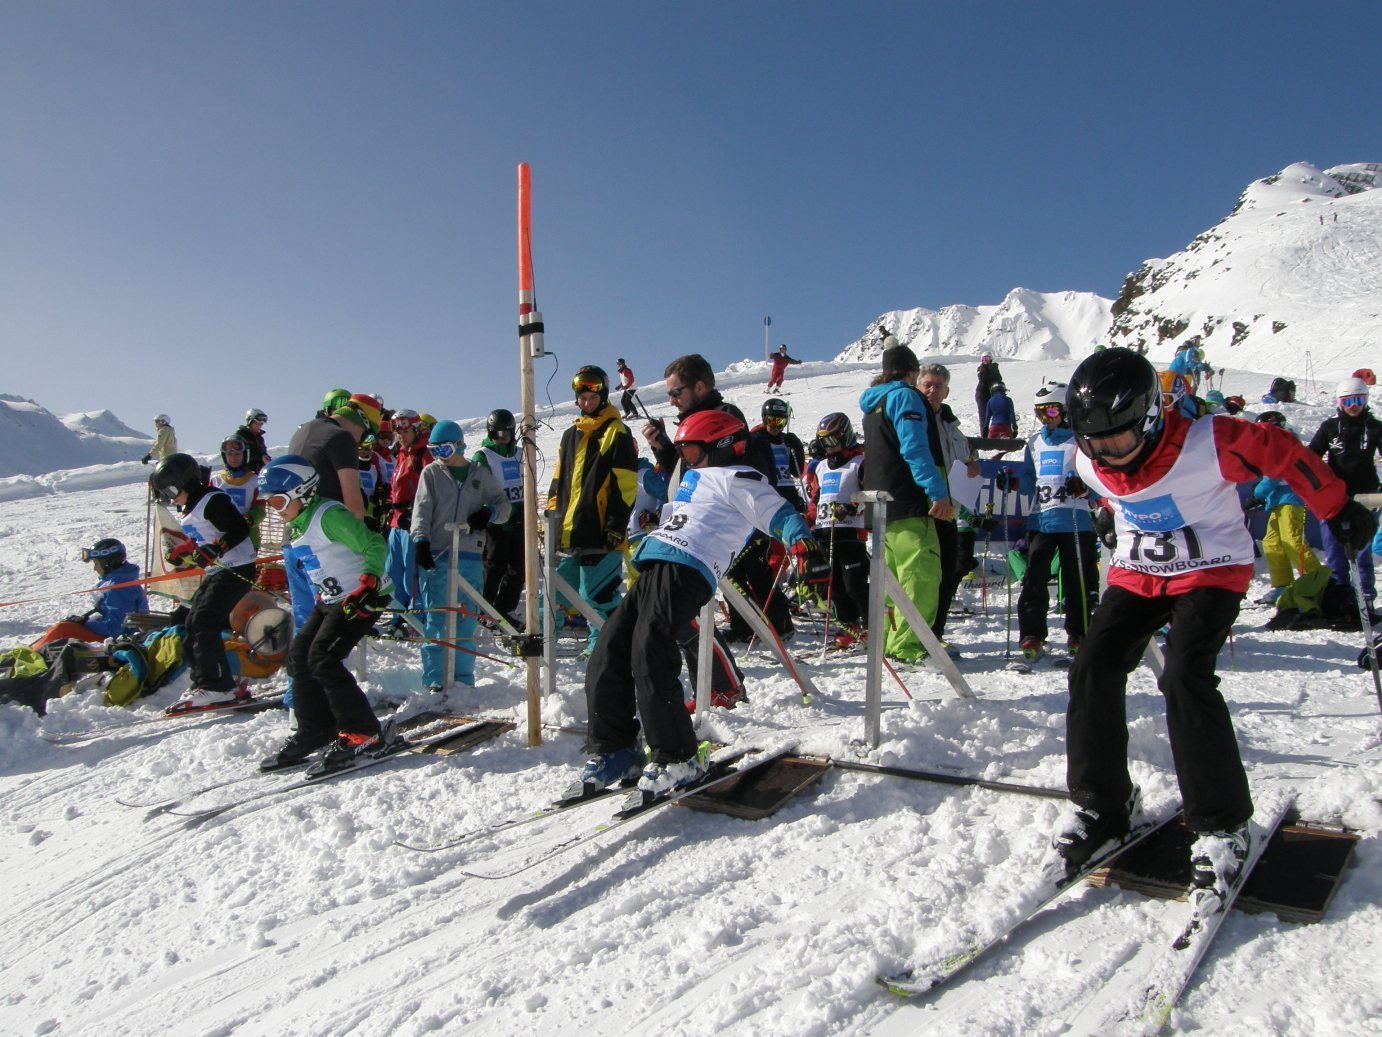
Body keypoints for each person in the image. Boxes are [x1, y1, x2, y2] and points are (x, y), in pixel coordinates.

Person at [1053, 348, 1371, 902]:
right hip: (1139, 573)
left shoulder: (1211, 442)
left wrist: (1336, 506)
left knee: (1184, 673)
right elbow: (1113, 489)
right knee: (1092, 665)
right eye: (1095, 444)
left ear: (1150, 419)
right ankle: (1103, 805)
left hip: (1211, 570)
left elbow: (1283, 453)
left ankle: (1223, 823)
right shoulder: (1088, 458)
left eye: (1118, 442)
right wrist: (1108, 515)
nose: (1107, 455)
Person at [577, 410, 819, 797]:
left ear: (723, 446)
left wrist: (800, 540)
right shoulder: (694, 477)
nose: (686, 459)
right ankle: (616, 747)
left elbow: (777, 511)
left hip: (689, 568)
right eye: (683, 453)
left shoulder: (739, 477)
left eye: (692, 452)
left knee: (649, 651)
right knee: (609, 650)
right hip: (654, 563)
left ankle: (678, 757)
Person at [257, 456, 397, 772]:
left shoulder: (328, 516)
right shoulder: (298, 522)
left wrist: (370, 579)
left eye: (279, 501)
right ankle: (316, 729)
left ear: (303, 492)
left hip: (363, 596)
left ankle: (363, 731)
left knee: (323, 658)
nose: (275, 510)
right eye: (270, 503)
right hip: (333, 600)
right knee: (299, 656)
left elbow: (374, 544)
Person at [859, 342, 953, 663]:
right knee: (920, 575)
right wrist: (937, 491)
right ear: (912, 372)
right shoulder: (906, 397)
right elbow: (914, 448)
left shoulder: (874, 404)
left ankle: (889, 642)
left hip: (880, 505)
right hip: (908, 501)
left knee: (892, 581)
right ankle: (909, 647)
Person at [150, 452, 257, 710]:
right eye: (165, 494)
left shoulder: (212, 500)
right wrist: (185, 550)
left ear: (186, 482)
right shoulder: (193, 506)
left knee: (203, 621)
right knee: (190, 621)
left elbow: (239, 529)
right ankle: (209, 682)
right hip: (218, 572)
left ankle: (216, 687)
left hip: (236, 569)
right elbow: (204, 536)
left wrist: (217, 548)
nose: (171, 498)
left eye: (171, 490)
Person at [1001, 384, 1099, 662]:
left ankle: (1078, 631)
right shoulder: (1034, 443)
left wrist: (1085, 489)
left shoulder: (1081, 442)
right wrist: (1013, 482)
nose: (1045, 418)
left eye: (1051, 411)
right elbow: (1029, 482)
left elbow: (1099, 482)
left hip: (1075, 521)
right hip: (1042, 520)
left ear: (1066, 411)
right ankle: (1032, 633)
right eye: (1039, 412)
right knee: (1034, 578)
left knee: (1076, 580)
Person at [413, 421, 512, 689]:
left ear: (459, 445)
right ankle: (436, 680)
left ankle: (462, 681)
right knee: (438, 617)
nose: (440, 456)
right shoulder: (431, 473)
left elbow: (504, 506)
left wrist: (489, 513)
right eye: (434, 451)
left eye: (444, 450)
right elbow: (421, 510)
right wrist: (420, 540)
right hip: (438, 554)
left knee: (466, 619)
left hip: (469, 555)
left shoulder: (479, 473)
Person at [546, 366, 638, 655]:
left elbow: (626, 485)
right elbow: (558, 482)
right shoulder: (570, 435)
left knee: (597, 596)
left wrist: (616, 525)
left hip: (600, 532)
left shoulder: (616, 432)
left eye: (592, 397)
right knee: (555, 593)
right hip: (569, 531)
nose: (586, 402)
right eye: (582, 398)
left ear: (604, 396)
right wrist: (551, 519)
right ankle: (544, 644)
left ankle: (605, 651)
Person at [918, 364, 981, 645]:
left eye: (938, 386)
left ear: (947, 391)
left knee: (946, 571)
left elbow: (965, 460)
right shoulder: (912, 419)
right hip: (920, 508)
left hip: (949, 509)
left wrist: (972, 466)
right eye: (928, 385)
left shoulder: (952, 427)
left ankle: (935, 634)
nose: (932, 390)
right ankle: (915, 635)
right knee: (922, 574)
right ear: (918, 386)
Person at [1308, 377, 1382, 610]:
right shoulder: (1330, 428)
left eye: (1358, 400)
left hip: (1365, 496)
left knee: (1362, 550)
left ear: (1366, 400)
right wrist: (1315, 486)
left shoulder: (1375, 427)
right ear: (1339, 403)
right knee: (1334, 549)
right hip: (1334, 497)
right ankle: (1339, 594)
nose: (1354, 406)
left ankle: (1365, 596)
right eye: (1348, 401)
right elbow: (1310, 457)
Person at [810, 413, 869, 645]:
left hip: (850, 533)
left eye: (832, 441)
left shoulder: (859, 463)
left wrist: (851, 507)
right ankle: (848, 625)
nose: (828, 447)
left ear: (845, 437)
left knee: (854, 585)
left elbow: (870, 494)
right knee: (833, 587)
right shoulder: (821, 467)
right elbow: (817, 498)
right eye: (823, 442)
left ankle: (872, 624)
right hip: (825, 533)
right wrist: (809, 518)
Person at [1251, 412, 1321, 605]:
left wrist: (1257, 494)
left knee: (1292, 540)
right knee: (1271, 542)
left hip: (1291, 499)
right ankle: (1282, 585)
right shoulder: (1271, 446)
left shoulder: (1284, 445)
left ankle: (1317, 581)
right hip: (1278, 500)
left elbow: (1275, 474)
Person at [33, 539, 149, 650]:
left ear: (107, 563)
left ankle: (31, 657)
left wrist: (85, 624)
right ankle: (34, 653)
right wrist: (83, 620)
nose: (94, 568)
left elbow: (115, 628)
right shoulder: (119, 581)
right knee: (62, 627)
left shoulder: (119, 587)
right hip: (116, 636)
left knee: (62, 629)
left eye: (96, 563)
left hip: (120, 641)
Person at [472, 408, 525, 626]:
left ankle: (504, 609)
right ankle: (483, 610)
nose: (501, 438)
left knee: (519, 568)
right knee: (495, 566)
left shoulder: (521, 454)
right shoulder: (484, 455)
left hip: (519, 518)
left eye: (505, 434)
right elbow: (476, 487)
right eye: (496, 434)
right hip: (495, 520)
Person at [384, 408, 431, 629]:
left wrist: (414, 513)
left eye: (405, 431)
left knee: (411, 576)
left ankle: (415, 621)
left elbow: (431, 488)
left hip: (412, 523)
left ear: (416, 430)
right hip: (397, 522)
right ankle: (397, 617)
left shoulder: (423, 455)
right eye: (397, 432)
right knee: (392, 572)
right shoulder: (401, 455)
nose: (400, 436)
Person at [211, 434, 266, 549]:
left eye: (237, 454)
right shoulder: (216, 481)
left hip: (248, 540)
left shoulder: (255, 481)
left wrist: (249, 519)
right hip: (222, 541)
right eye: (229, 454)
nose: (233, 458)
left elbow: (260, 510)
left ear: (245, 455)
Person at [974, 354, 1003, 429]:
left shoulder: (994, 367)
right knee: (983, 416)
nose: (985, 361)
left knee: (997, 413)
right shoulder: (980, 368)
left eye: (987, 358)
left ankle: (996, 431)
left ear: (991, 359)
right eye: (983, 359)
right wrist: (987, 370)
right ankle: (984, 434)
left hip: (993, 393)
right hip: (982, 394)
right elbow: (982, 379)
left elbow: (999, 378)